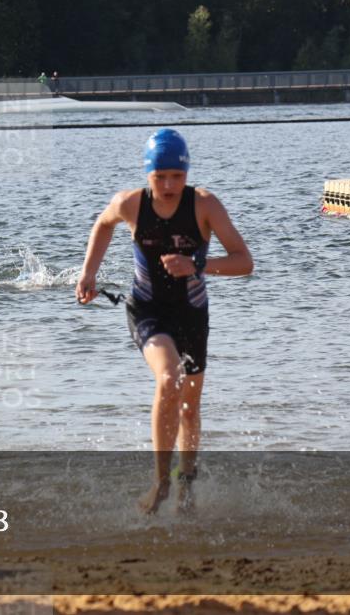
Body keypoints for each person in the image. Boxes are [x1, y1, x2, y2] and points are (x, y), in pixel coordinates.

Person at [75, 129, 252, 515]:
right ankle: (159, 483)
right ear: (147, 175)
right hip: (147, 309)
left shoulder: (205, 205)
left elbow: (243, 261)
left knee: (189, 405)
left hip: (192, 312)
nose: (170, 185)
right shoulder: (130, 204)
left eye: (177, 176)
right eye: (160, 177)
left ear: (187, 174)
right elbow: (103, 225)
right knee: (168, 377)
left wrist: (199, 265)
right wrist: (89, 273)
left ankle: (186, 486)